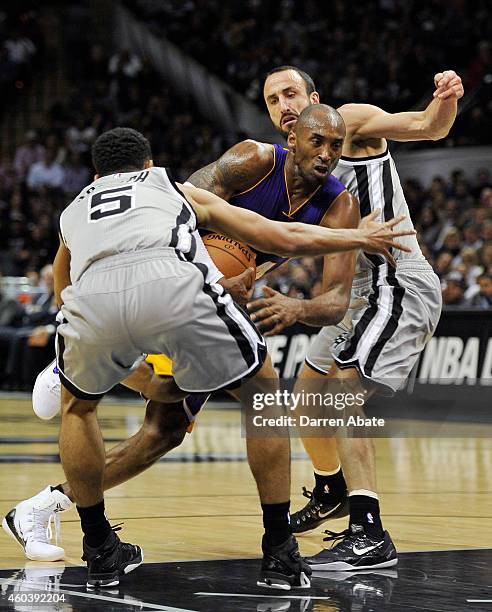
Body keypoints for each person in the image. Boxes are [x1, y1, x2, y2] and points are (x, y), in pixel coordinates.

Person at [15, 125, 409, 590]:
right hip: (178, 286)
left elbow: (64, 281)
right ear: (148, 164)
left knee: (84, 409)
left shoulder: (73, 210)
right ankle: (279, 551)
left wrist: (91, 345)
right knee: (260, 389)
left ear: (97, 173)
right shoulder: (173, 184)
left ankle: (99, 548)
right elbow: (276, 236)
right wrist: (357, 240)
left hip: (92, 299)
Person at [246, 65, 463, 571]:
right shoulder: (290, 168)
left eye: (291, 92)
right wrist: (248, 273)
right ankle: (331, 490)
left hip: (396, 279)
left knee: (343, 389)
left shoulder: (351, 123)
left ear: (313, 96)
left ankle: (370, 532)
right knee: (306, 396)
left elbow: (429, 126)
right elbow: (292, 241)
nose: (285, 104)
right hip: (353, 290)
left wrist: (447, 98)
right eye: (274, 99)